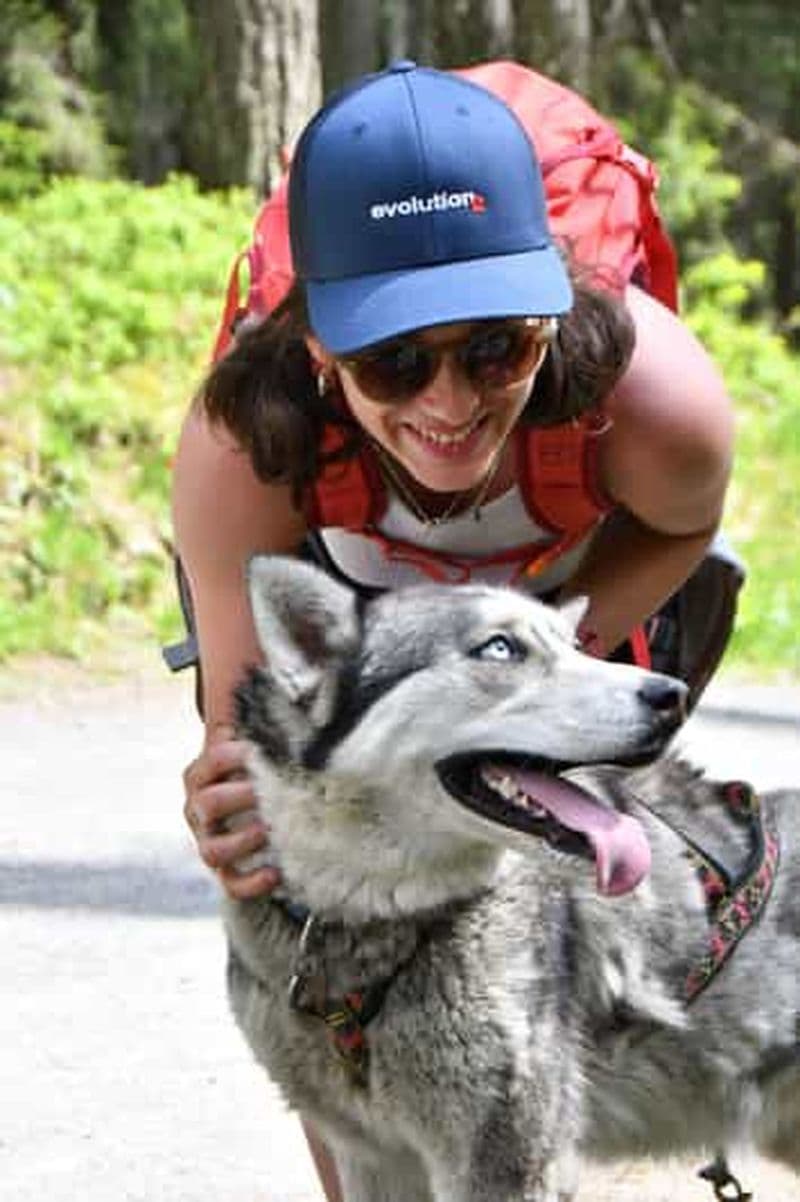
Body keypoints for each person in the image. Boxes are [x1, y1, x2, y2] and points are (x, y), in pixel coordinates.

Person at [171, 61, 736, 1201]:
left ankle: (540, 1140)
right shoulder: (245, 444)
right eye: (392, 358)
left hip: (570, 578)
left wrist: (536, 663)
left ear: (548, 312)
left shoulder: (655, 403)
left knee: (559, 890)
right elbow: (258, 743)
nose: (447, 400)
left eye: (494, 349)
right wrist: (231, 801)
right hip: (342, 590)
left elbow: (684, 526)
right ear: (319, 346)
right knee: (297, 880)